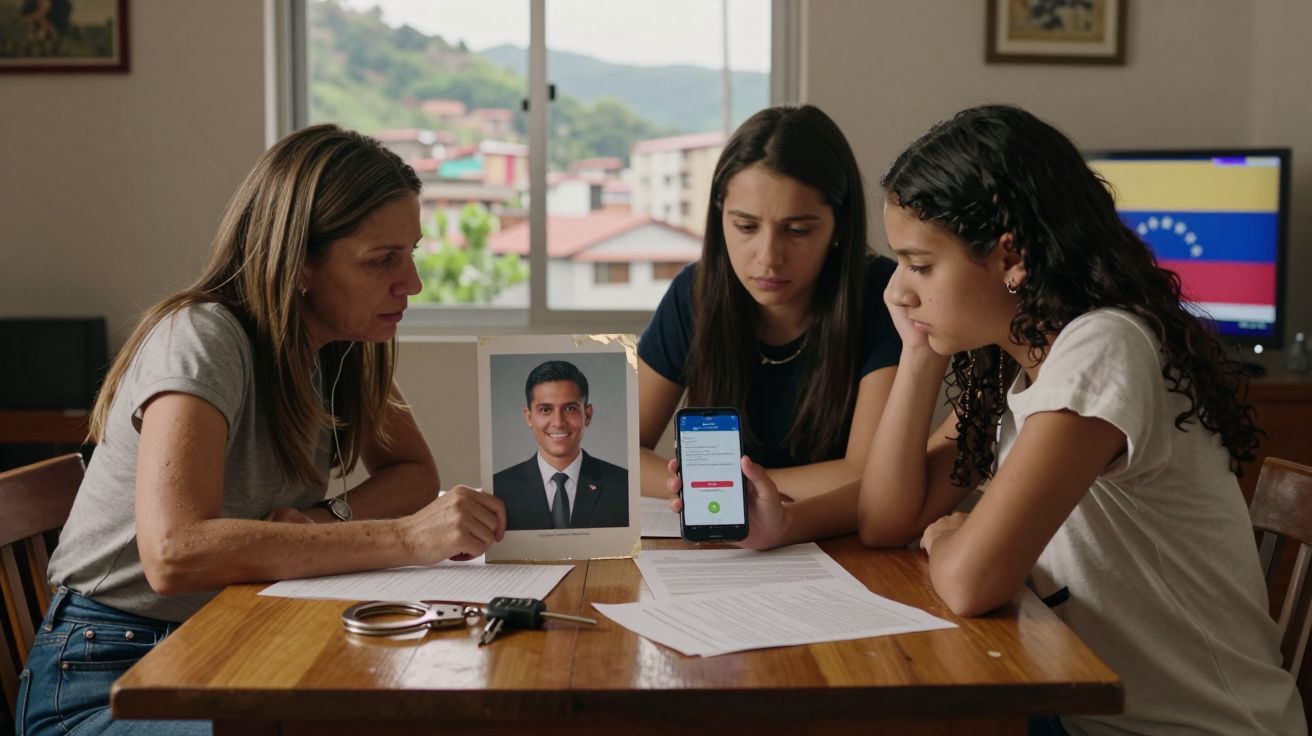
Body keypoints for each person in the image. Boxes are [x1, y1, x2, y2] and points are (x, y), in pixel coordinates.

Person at [678, 105, 1303, 734]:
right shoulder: (1017, 363)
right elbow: (888, 518)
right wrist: (917, 356)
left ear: (1013, 256)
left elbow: (972, 581)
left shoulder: (1102, 348)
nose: (897, 290)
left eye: (920, 265)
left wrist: (951, 538)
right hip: (1082, 714)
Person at [17, 124, 507, 736]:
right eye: (382, 260)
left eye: (411, 253)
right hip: (113, 671)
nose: (411, 284)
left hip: (236, 636)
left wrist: (324, 524)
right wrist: (406, 539)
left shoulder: (344, 343)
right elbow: (174, 554)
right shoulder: (203, 337)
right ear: (299, 264)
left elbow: (413, 474)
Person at [639, 104, 901, 503]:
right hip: (728, 543)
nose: (768, 256)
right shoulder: (695, 292)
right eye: (745, 226)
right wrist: (732, 492)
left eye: (796, 230)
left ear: (839, 226)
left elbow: (868, 474)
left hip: (845, 544)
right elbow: (621, 455)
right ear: (719, 216)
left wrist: (724, 486)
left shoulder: (884, 294)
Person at [493, 360, 629, 531]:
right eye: (545, 410)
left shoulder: (623, 486)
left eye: (570, 409)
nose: (558, 423)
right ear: (529, 417)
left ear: (587, 415)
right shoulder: (498, 489)